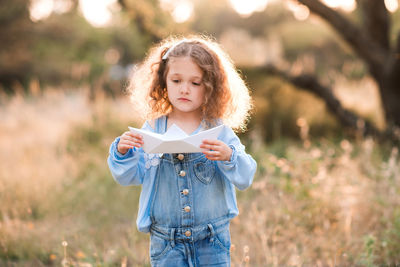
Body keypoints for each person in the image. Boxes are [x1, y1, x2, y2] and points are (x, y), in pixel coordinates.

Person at [107, 35, 257, 267]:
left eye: (195, 83)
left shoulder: (218, 130)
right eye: (176, 81)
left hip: (211, 239)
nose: (184, 89)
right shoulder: (153, 127)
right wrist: (123, 153)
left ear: (210, 87)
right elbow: (130, 176)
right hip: (166, 242)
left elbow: (246, 177)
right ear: (163, 82)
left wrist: (229, 156)